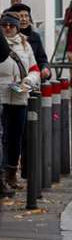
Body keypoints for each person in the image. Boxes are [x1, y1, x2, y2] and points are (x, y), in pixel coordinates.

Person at [0, 13, 39, 194]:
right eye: (5, 25)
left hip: (19, 96)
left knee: (16, 136)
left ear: (17, 27)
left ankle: (11, 173)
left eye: (11, 25)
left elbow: (34, 69)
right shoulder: (1, 44)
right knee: (3, 137)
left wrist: (29, 81)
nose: (8, 28)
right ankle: (2, 174)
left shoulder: (25, 45)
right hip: (1, 95)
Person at [9, 5, 49, 80]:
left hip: (32, 80)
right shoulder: (8, 37)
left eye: (26, 16)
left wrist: (45, 68)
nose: (24, 19)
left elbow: (41, 59)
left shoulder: (35, 36)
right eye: (21, 16)